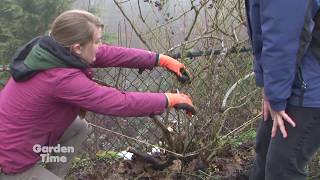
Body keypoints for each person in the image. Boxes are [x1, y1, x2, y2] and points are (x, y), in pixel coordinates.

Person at [0, 10, 196, 180]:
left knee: (78, 127)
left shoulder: (55, 51)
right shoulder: (60, 78)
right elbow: (119, 102)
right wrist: (168, 99)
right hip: (9, 163)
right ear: (77, 47)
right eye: (96, 41)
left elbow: (111, 54)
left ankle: (51, 175)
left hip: (18, 142)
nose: (100, 46)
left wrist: (160, 60)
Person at [246, 0, 320, 179]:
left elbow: (283, 36)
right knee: (264, 153)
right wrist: (268, 85)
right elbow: (260, 27)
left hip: (310, 85)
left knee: (283, 169)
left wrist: (276, 97)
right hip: (292, 79)